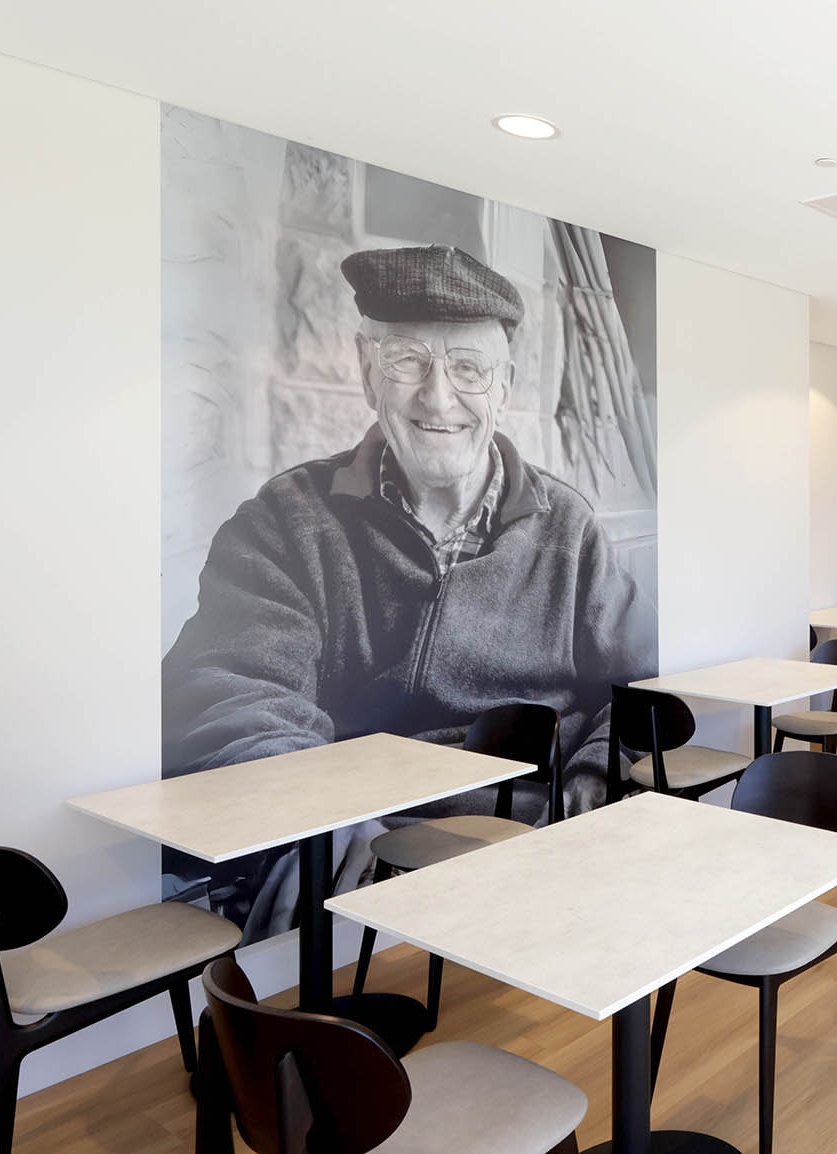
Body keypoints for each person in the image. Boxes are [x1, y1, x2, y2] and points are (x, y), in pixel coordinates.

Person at [161, 245, 647, 933]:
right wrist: (321, 812)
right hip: (358, 846)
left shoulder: (565, 527)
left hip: (531, 838)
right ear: (368, 373)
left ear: (504, 388)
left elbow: (643, 683)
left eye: (469, 369)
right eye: (408, 361)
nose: (438, 398)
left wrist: (596, 768)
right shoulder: (286, 520)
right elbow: (227, 687)